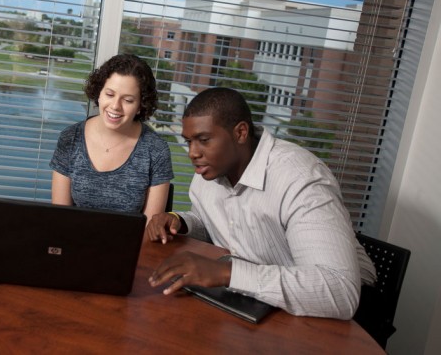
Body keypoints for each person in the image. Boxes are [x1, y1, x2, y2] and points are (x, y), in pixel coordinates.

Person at [146, 87, 376, 320]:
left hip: (338, 315)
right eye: (189, 142)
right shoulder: (209, 171)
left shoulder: (300, 179)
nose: (193, 153)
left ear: (241, 133)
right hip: (262, 299)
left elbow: (339, 292)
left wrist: (227, 273)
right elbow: (213, 221)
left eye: (203, 140)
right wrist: (181, 221)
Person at [50, 54, 173, 219]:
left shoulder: (156, 150)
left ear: (140, 105)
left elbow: (150, 227)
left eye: (128, 100)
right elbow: (60, 217)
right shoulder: (70, 138)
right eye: (109, 94)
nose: (115, 106)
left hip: (131, 244)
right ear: (98, 93)